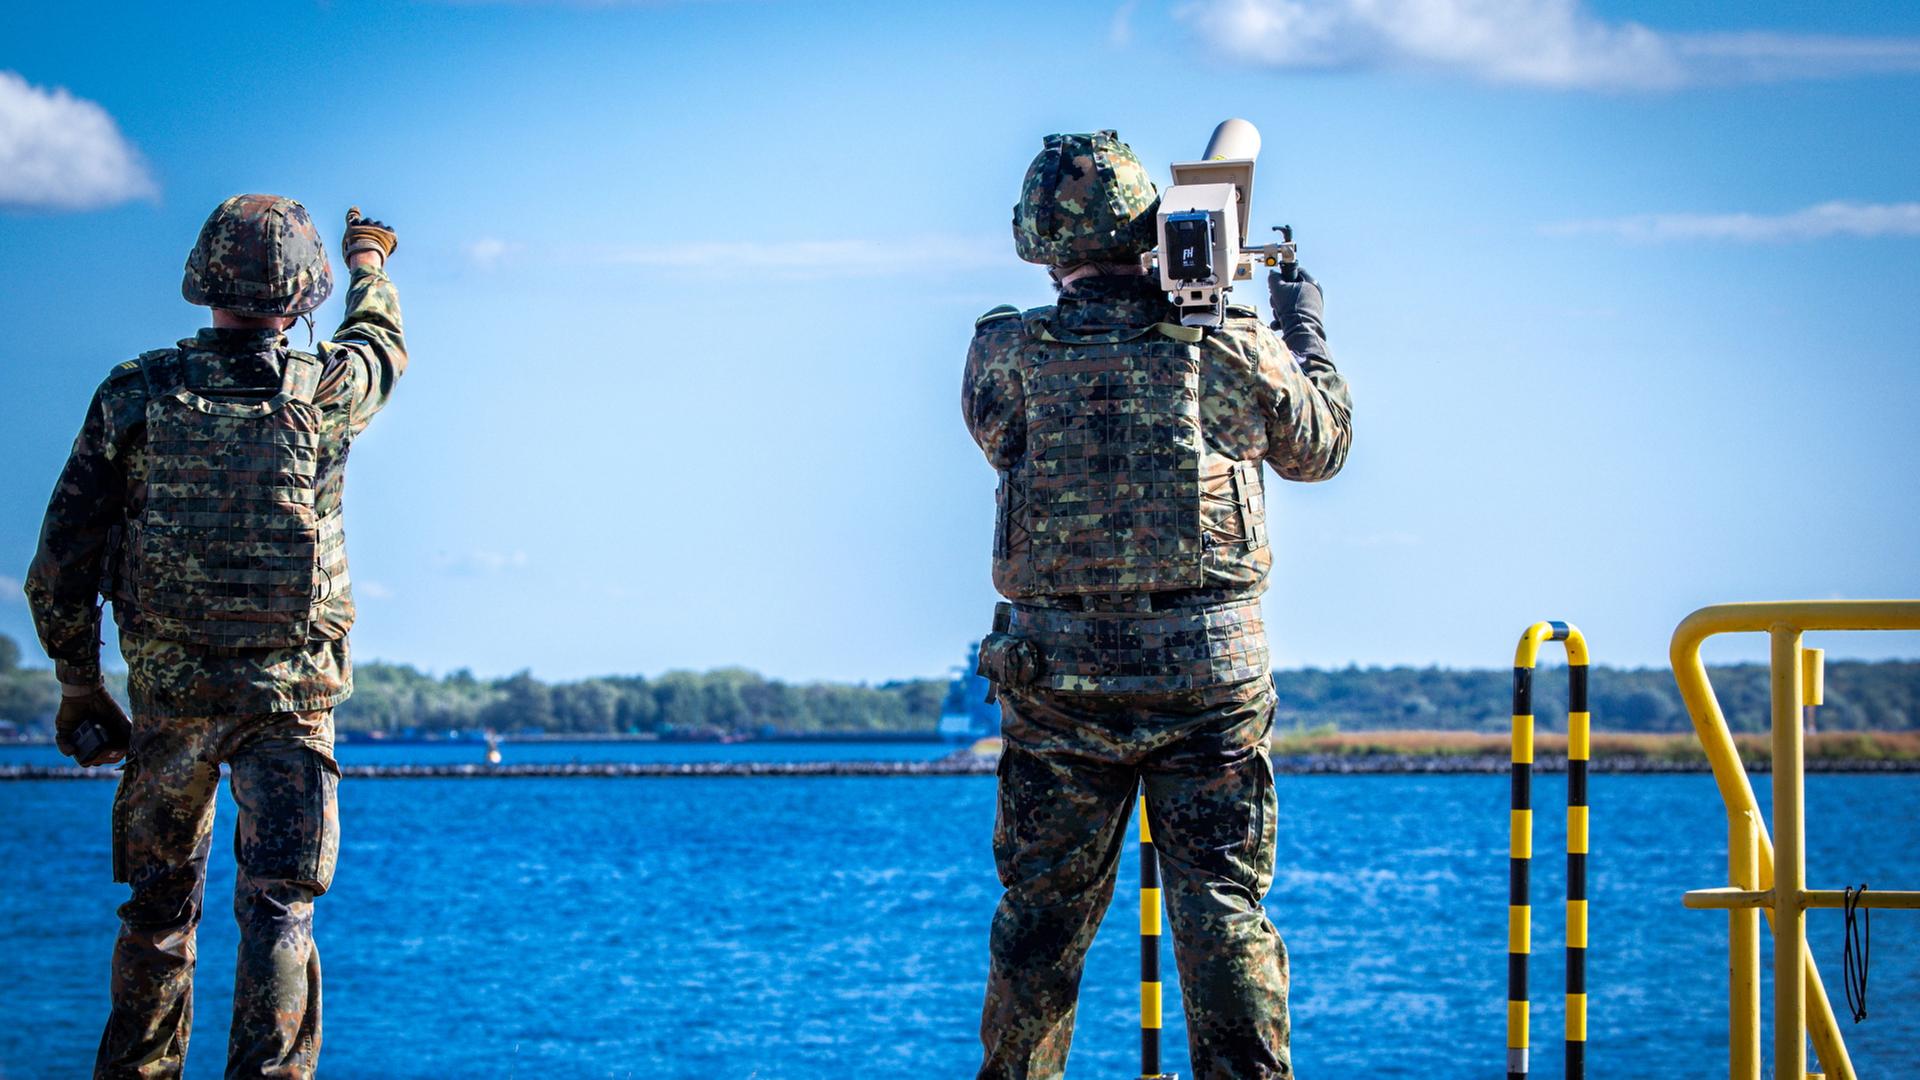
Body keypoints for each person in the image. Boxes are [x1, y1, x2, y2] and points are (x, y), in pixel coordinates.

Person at [963, 130, 1352, 1079]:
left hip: (1057, 688)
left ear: (1040, 243)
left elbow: (997, 432)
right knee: (1221, 908)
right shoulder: (1223, 346)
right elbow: (1322, 446)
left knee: (1041, 922)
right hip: (1206, 680)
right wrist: (1298, 327)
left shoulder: (1005, 353)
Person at [25, 194, 404, 1079]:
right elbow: (381, 344)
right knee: (281, 909)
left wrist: (82, 684)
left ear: (203, 284)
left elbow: (63, 559)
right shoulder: (329, 390)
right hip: (293, 696)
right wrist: (370, 262)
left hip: (172, 696)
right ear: (302, 295)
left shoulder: (135, 394)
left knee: (158, 913)